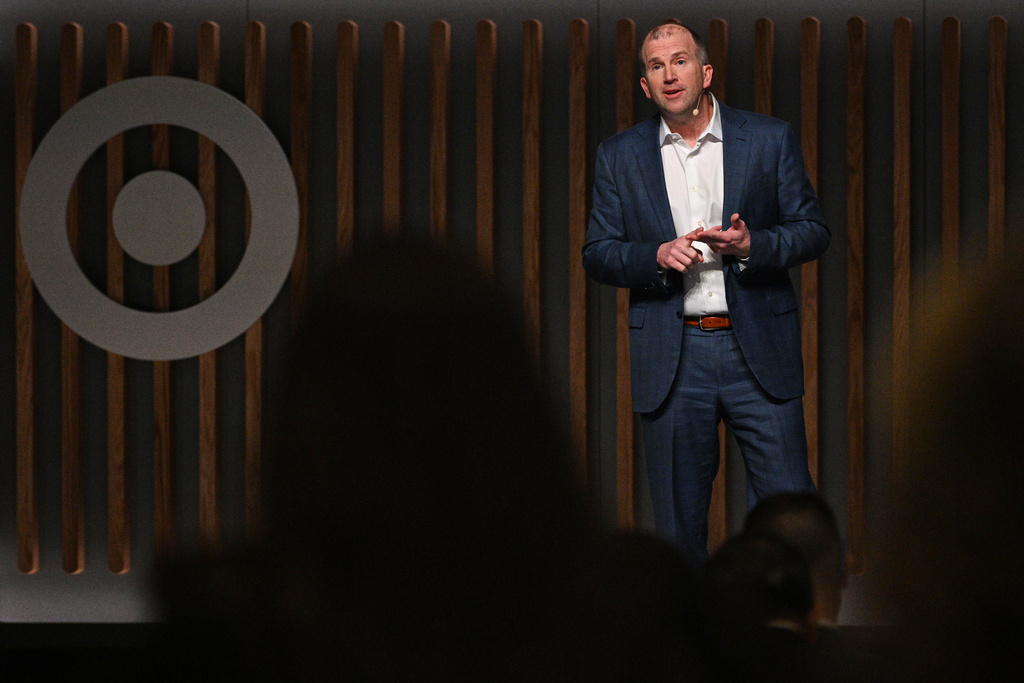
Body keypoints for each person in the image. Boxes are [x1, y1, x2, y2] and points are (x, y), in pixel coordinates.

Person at [582, 20, 830, 567]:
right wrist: (653, 256)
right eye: (655, 65)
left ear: (705, 71)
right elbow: (597, 251)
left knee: (789, 520)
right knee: (678, 531)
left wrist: (750, 245)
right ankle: (691, 649)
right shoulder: (619, 156)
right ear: (645, 86)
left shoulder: (768, 138)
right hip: (674, 360)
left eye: (680, 60)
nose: (669, 74)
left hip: (757, 349)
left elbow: (813, 230)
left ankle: (781, 642)